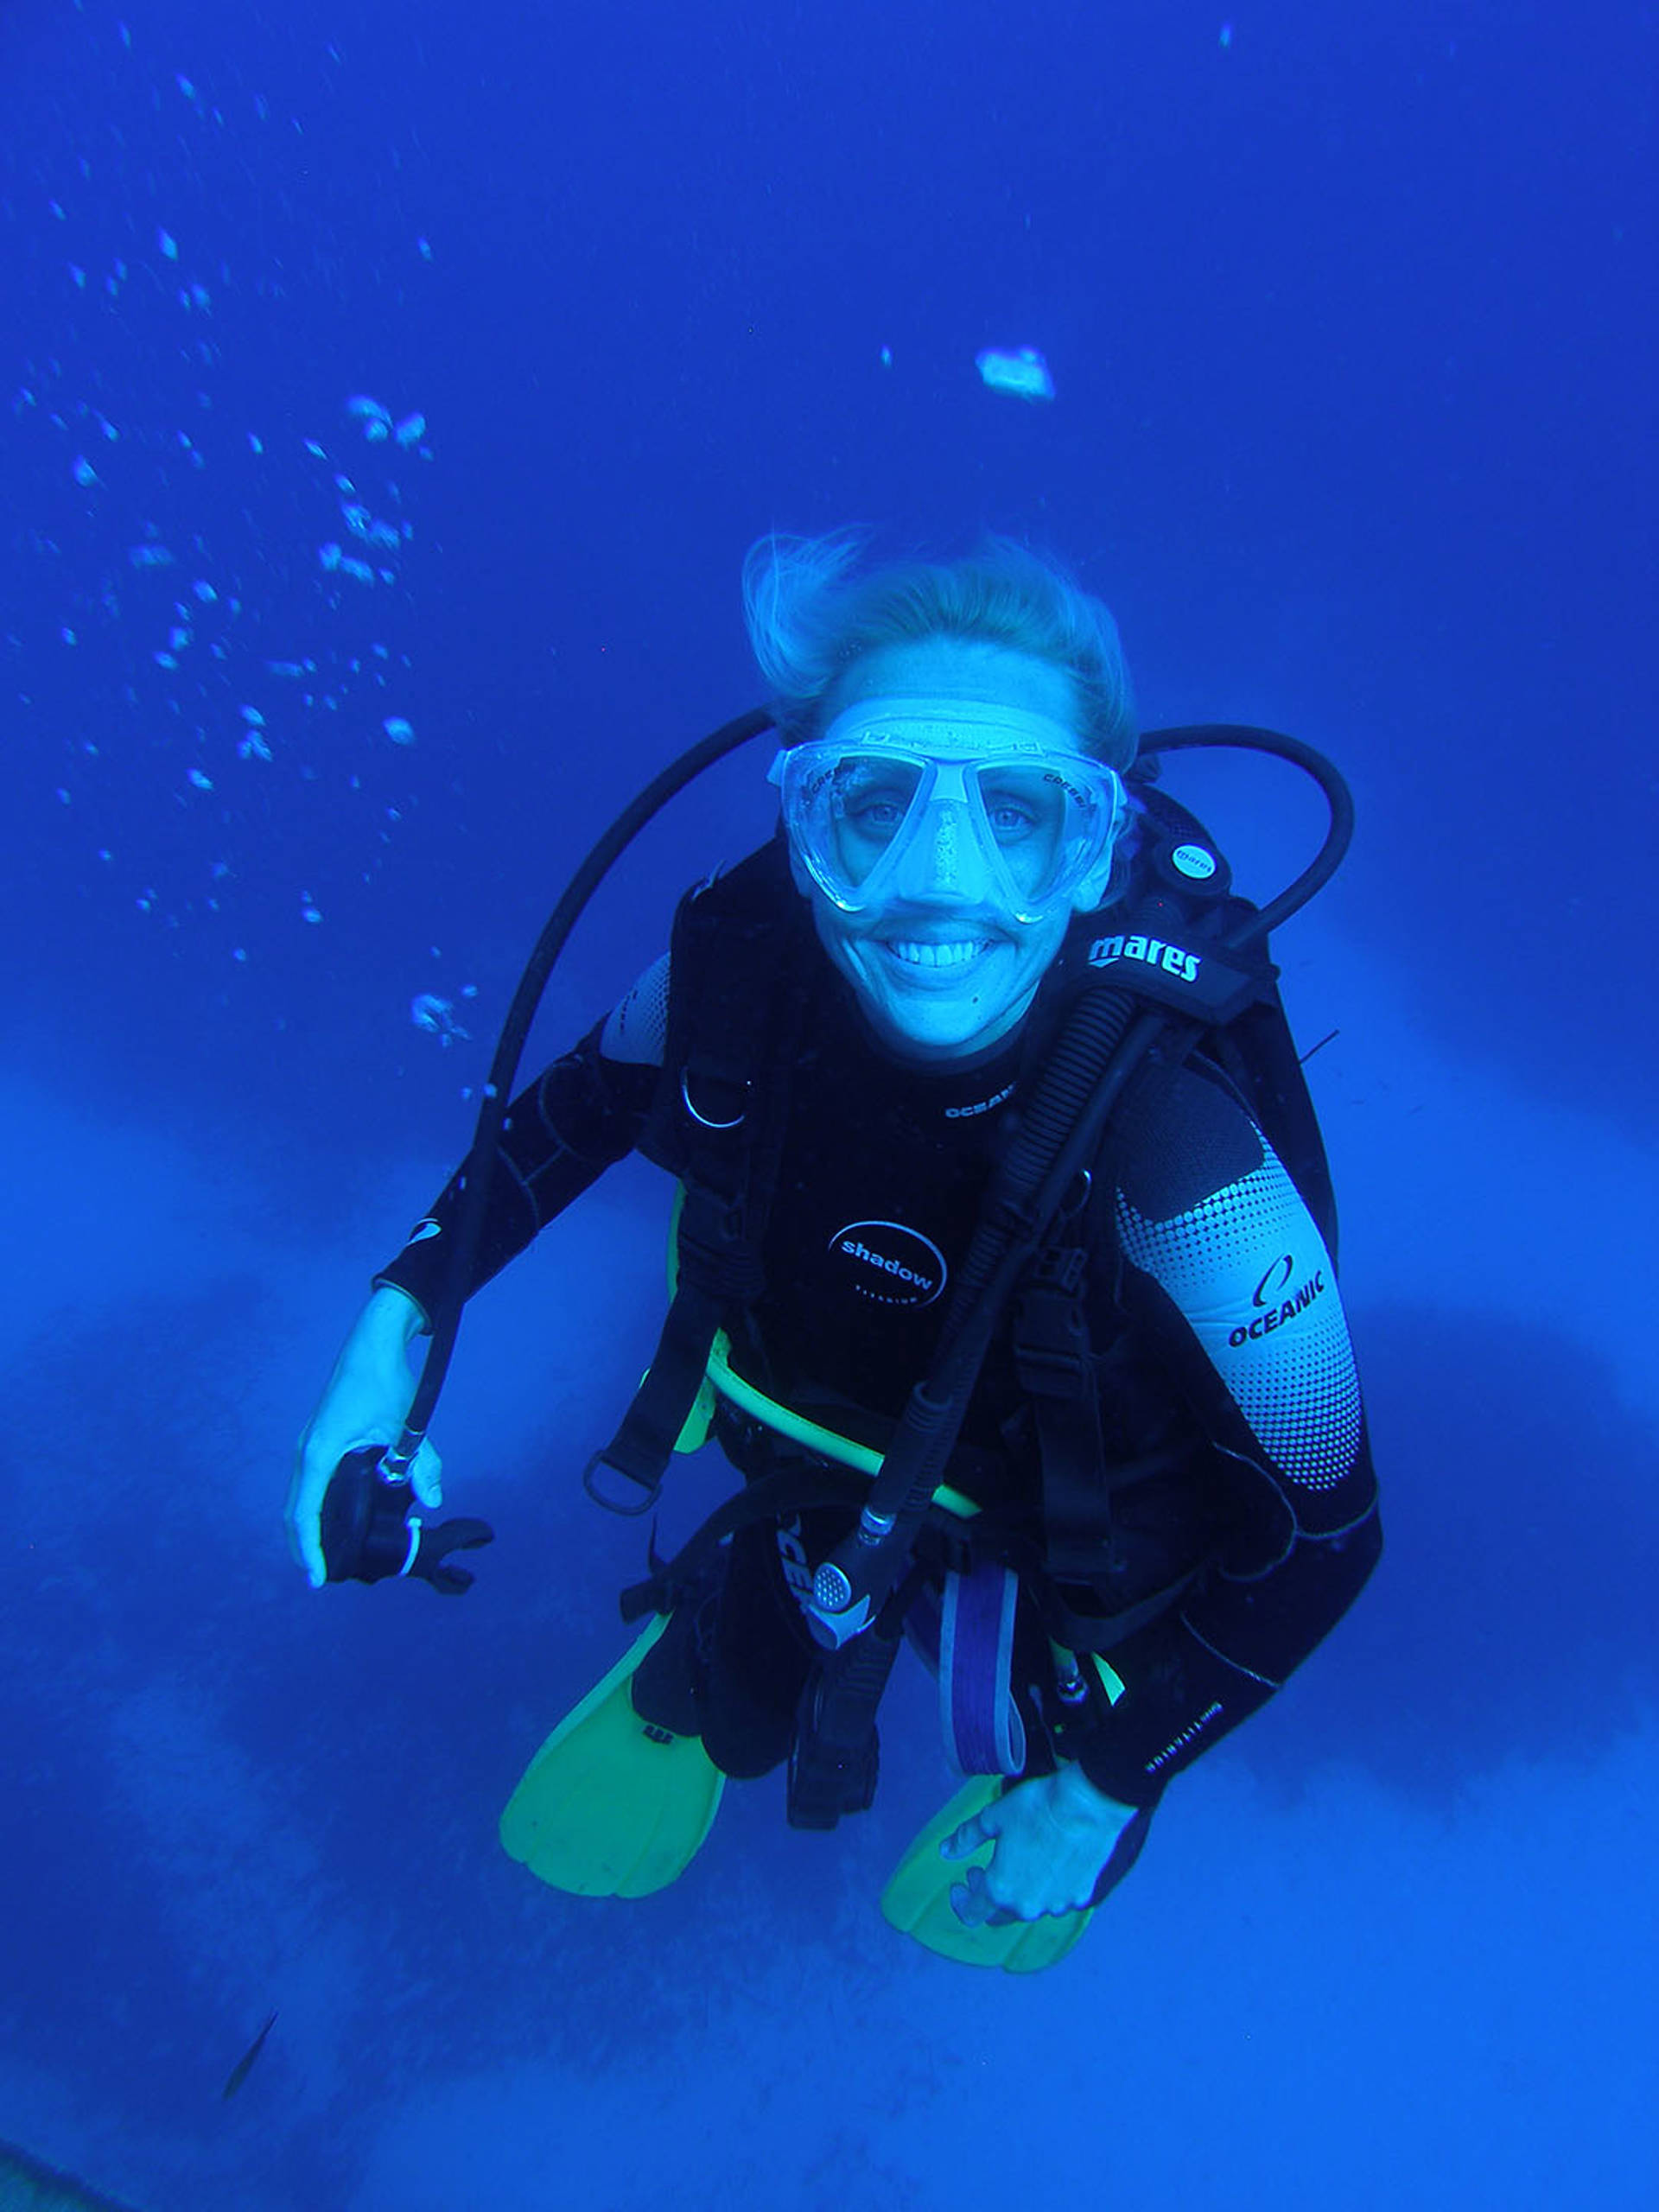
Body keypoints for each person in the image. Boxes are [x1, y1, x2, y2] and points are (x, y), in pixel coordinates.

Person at [288, 531, 1381, 1971]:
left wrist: (1110, 1786)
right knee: (755, 1684)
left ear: (1096, 851)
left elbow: (1326, 1543)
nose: (939, 883)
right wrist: (388, 1338)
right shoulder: (739, 980)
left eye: (1018, 811)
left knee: (1080, 1731)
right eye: (873, 802)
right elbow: (554, 1131)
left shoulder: (1192, 1173)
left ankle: (1067, 1763)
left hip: (1076, 1526)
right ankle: (757, 1622)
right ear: (805, 827)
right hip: (819, 1446)